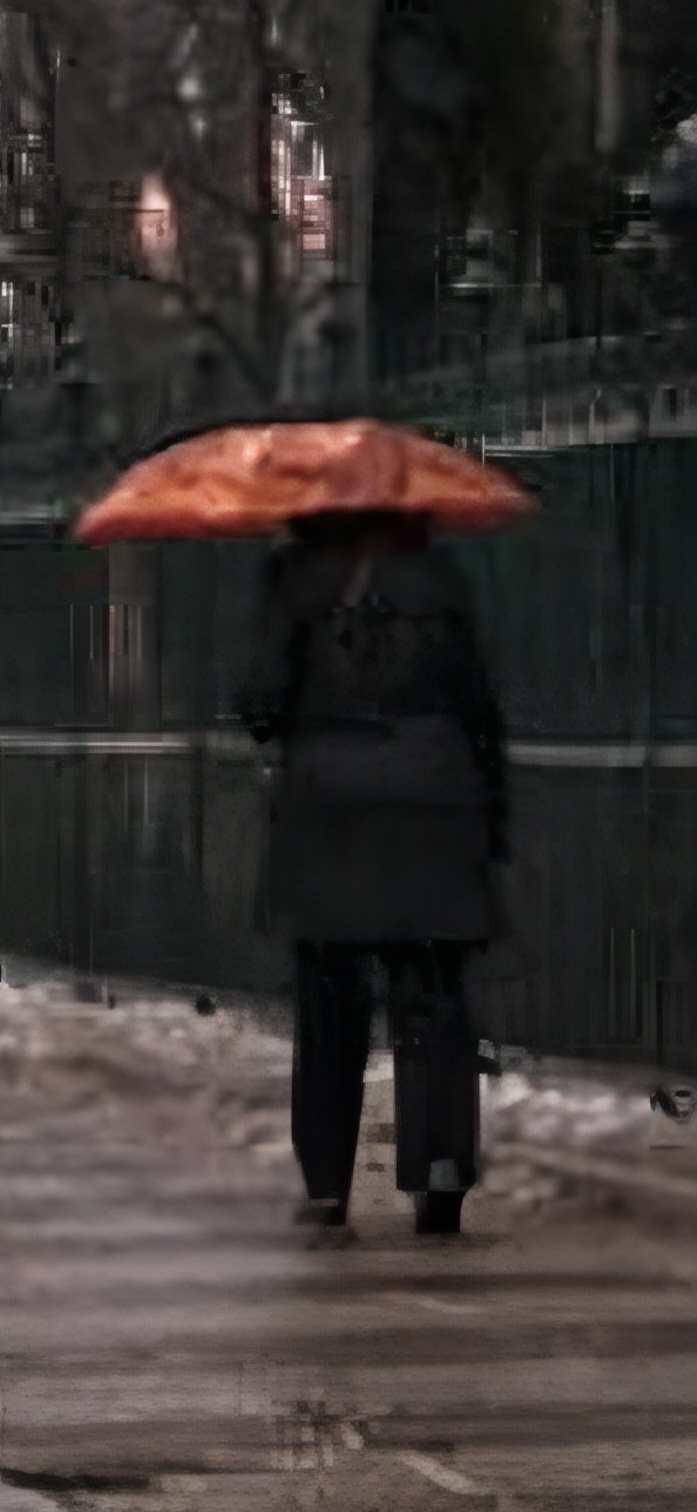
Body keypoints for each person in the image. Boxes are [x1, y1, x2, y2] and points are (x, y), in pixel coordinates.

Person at [237, 508, 509, 1238]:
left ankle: (327, 1184)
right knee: (434, 999)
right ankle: (441, 1172)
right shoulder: (441, 578)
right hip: (436, 804)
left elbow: (260, 704)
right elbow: (481, 707)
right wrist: (491, 821)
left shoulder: (295, 578)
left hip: (330, 814)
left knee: (330, 1004)